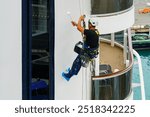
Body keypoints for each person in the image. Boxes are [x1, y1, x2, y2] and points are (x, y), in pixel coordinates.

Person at [62, 15, 99, 81]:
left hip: (87, 53)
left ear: (90, 24)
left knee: (77, 63)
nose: (88, 24)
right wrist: (76, 24)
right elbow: (83, 30)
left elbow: (80, 28)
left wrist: (80, 19)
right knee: (77, 51)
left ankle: (68, 76)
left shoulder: (91, 33)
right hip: (90, 51)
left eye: (89, 23)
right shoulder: (95, 31)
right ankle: (71, 71)